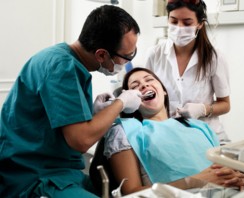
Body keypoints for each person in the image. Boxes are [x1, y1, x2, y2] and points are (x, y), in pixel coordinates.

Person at [0, 5, 143, 198]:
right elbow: (81, 139)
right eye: (127, 57)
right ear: (101, 54)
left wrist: (92, 114)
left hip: (59, 172)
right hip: (34, 178)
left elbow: (54, 121)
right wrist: (121, 103)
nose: (128, 63)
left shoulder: (62, 60)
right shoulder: (62, 68)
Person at [101, 67, 244, 195]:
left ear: (164, 91)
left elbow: (222, 168)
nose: (144, 85)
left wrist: (236, 176)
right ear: (131, 101)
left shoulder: (198, 126)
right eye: (135, 85)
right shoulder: (125, 131)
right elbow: (130, 194)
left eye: (149, 80)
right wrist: (193, 182)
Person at [144, 0, 231, 144]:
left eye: (187, 23)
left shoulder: (214, 58)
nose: (179, 28)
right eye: (174, 21)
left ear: (200, 24)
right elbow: (146, 95)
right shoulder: (154, 54)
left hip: (206, 136)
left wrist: (203, 109)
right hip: (166, 135)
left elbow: (225, 104)